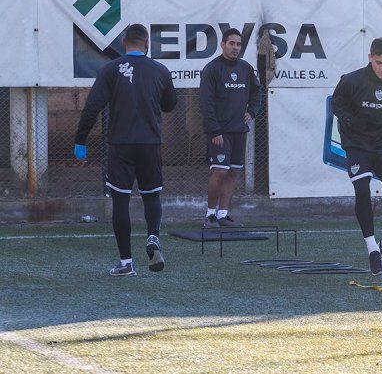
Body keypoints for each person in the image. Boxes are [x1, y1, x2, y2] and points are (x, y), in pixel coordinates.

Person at [74, 23, 177, 276]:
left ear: (123, 44)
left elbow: (92, 107)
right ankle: (153, 235)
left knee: (120, 200)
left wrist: (80, 140)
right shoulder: (160, 70)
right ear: (147, 45)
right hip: (150, 144)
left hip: (120, 145)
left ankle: (126, 263)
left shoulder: (110, 69)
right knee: (151, 195)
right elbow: (170, 105)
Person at [331, 38, 382, 275]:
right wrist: (349, 119)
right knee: (362, 191)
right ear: (370, 58)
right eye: (378, 62)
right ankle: (372, 250)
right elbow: (336, 105)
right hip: (358, 144)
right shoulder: (352, 80)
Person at [199, 28, 261, 228]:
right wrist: (214, 130)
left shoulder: (245, 68)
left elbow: (256, 92)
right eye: (232, 43)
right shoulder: (212, 69)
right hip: (220, 131)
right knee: (220, 171)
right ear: (222, 45)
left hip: (239, 130)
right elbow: (206, 103)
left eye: (239, 44)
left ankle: (223, 215)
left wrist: (252, 112)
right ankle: (210, 215)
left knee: (233, 172)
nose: (235, 47)